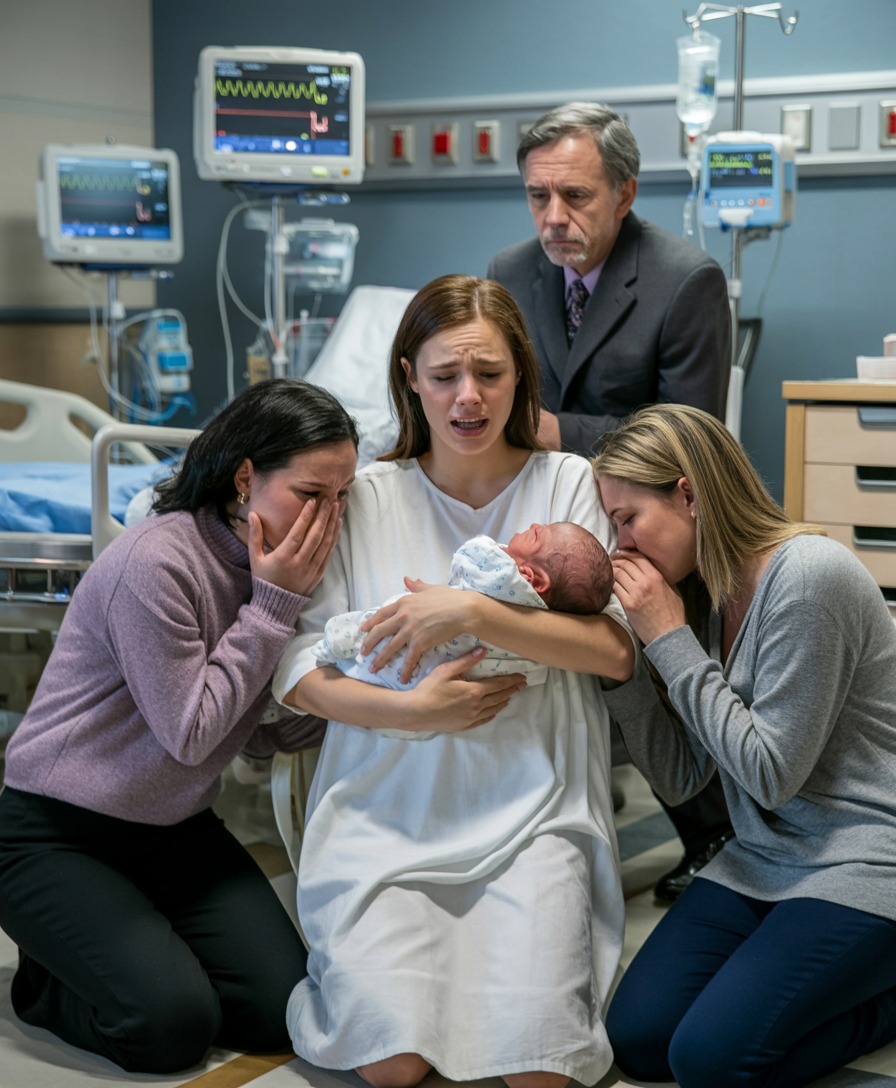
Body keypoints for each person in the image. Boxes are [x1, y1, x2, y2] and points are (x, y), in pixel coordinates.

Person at [272, 273, 635, 1088]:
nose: (468, 398)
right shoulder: (363, 497)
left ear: (521, 376)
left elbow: (614, 651)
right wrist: (412, 715)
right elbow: (298, 667)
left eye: (491, 375)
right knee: (391, 1064)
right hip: (388, 807)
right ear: (408, 377)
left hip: (533, 809)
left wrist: (471, 612)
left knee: (538, 1069)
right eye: (444, 377)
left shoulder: (567, 484)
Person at [0, 378, 359, 1075]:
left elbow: (251, 727)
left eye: (342, 497)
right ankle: (45, 984)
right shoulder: (159, 562)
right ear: (245, 478)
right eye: (312, 495)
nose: (328, 520)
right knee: (168, 1030)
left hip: (173, 828)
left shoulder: (272, 568)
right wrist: (273, 606)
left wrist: (371, 709)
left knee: (278, 1011)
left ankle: (140, 949)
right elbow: (194, 734)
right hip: (56, 834)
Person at [593, 403, 896, 1088]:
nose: (623, 547)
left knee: (710, 1061)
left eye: (628, 519)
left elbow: (769, 776)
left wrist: (666, 640)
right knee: (638, 1041)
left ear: (690, 493)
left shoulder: (809, 576)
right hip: (764, 857)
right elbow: (680, 780)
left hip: (865, 855)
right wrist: (624, 672)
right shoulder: (703, 598)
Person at [488, 100, 733, 891]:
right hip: (542, 512)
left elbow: (688, 434)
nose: (553, 218)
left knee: (652, 650)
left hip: (654, 517)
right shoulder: (509, 274)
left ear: (624, 193)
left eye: (576, 197)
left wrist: (563, 433)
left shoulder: (683, 279)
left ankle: (712, 834)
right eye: (537, 197)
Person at [313, 523, 615, 700]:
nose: (535, 525)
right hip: (445, 678)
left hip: (434, 655)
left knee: (381, 628)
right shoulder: (541, 637)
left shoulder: (504, 577)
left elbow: (470, 558)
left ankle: (337, 644)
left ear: (531, 578)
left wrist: (465, 601)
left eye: (539, 536)